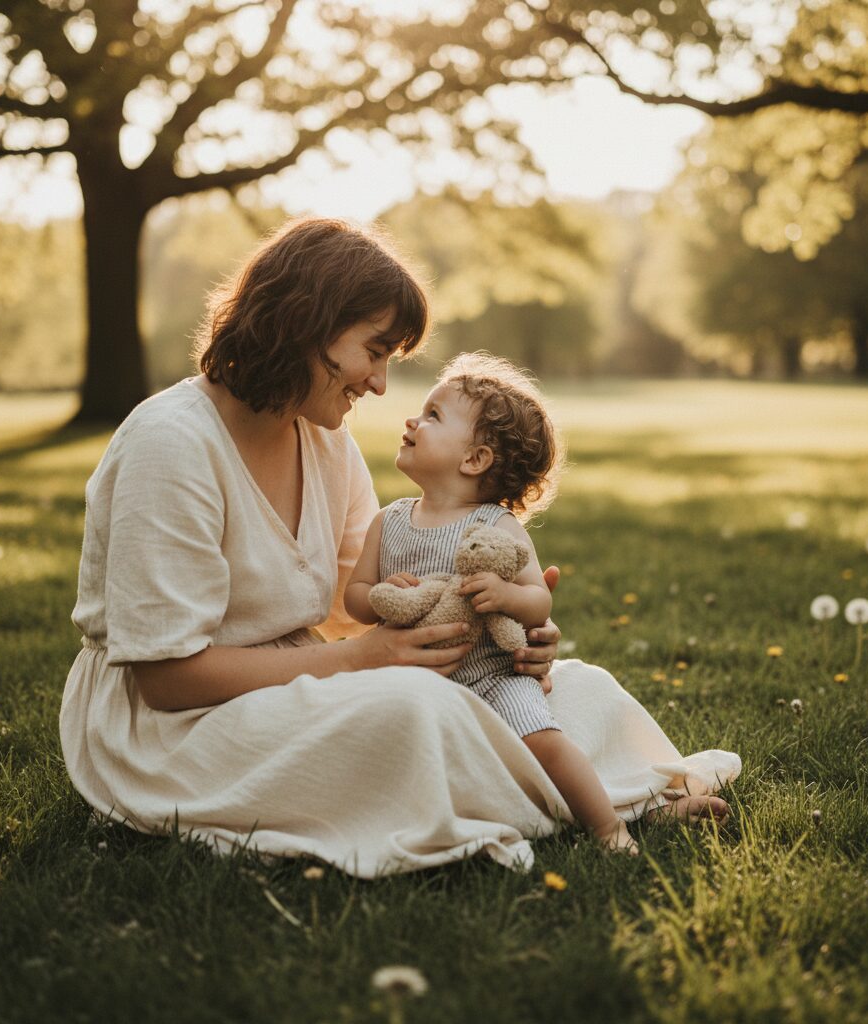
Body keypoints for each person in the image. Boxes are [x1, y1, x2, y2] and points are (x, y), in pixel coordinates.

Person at [60, 217, 737, 879]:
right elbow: (166, 678)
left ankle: (627, 799)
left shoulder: (323, 440)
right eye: (374, 351)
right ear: (306, 323)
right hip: (174, 728)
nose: (380, 385)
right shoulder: (171, 444)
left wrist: (508, 634)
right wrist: (358, 661)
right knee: (418, 712)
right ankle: (604, 807)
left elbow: (376, 601)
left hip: (301, 681)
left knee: (578, 690)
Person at [344, 354, 639, 853]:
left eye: (433, 415)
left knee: (543, 741)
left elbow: (537, 599)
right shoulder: (389, 520)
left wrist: (505, 596)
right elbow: (355, 598)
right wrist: (381, 595)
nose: (412, 421)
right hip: (413, 680)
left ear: (475, 459)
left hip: (492, 678)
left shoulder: (496, 527)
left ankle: (609, 828)